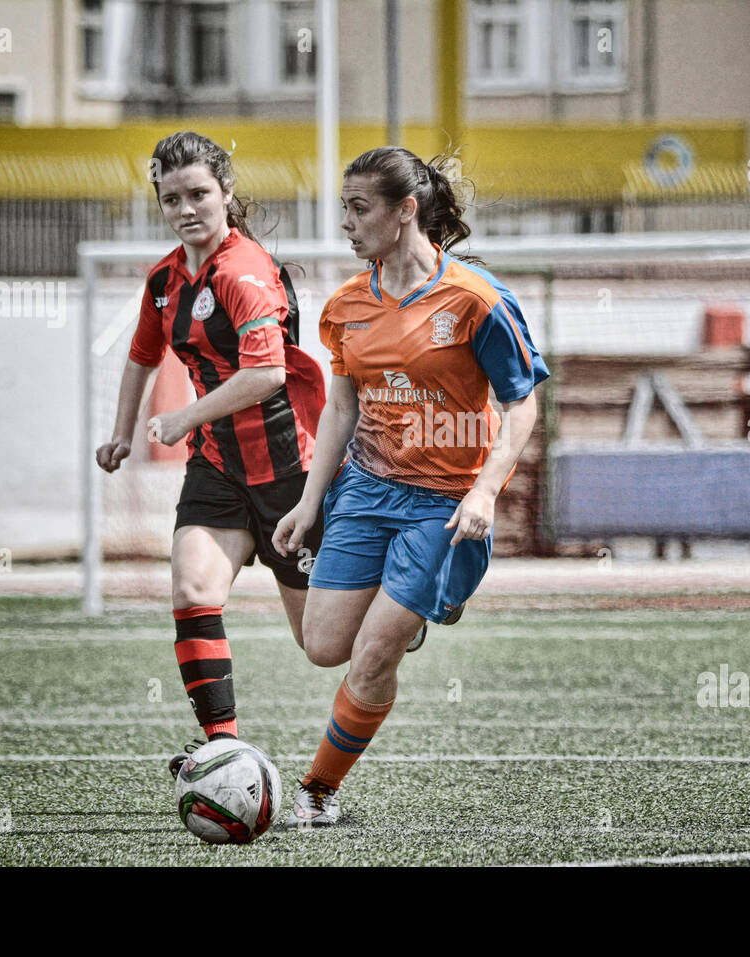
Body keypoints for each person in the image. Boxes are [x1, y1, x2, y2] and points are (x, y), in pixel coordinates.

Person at [272, 146, 550, 826]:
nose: (347, 222)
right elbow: (340, 408)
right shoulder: (345, 306)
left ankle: (318, 789)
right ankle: (413, 617)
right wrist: (310, 503)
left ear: (406, 211)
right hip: (366, 492)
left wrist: (485, 490)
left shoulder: (476, 300)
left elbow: (524, 404)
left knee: (370, 655)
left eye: (359, 208)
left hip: (444, 506)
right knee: (323, 646)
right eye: (345, 208)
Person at [97, 131, 334, 769]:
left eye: (199, 193)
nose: (186, 209)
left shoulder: (245, 271)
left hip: (290, 470)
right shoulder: (164, 281)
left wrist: (181, 418)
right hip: (218, 469)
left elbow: (266, 375)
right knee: (192, 586)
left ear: (226, 193)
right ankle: (222, 746)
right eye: (171, 198)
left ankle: (400, 604)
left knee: (321, 646)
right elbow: (142, 355)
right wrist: (123, 431)